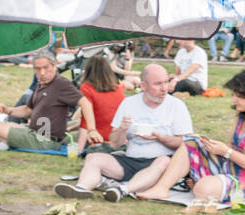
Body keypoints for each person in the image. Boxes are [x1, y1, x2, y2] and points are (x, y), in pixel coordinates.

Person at [136, 70, 245, 205]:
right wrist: (214, 147)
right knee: (190, 142)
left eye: (239, 97)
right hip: (233, 167)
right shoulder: (242, 113)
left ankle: (201, 183)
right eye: (234, 95)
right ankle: (162, 188)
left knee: (202, 189)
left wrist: (225, 151)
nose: (234, 100)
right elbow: (230, 146)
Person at [54, 63, 191, 201]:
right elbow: (115, 143)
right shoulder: (129, 103)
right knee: (93, 158)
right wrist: (122, 129)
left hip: (160, 161)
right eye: (158, 84)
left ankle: (122, 190)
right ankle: (81, 188)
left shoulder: (176, 106)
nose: (164, 88)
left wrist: (160, 137)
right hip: (131, 160)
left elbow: (184, 144)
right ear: (143, 86)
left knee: (164, 161)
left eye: (166, 82)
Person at [0, 51, 96, 153]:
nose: (42, 72)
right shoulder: (41, 83)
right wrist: (8, 110)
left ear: (54, 66)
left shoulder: (61, 84)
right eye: (38, 69)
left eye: (46, 68)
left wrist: (91, 130)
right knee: (5, 126)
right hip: (33, 132)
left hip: (44, 140)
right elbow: (28, 110)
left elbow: (85, 103)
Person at [78, 52, 126, 140]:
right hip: (116, 136)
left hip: (96, 135)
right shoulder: (117, 89)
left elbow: (87, 121)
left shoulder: (86, 88)